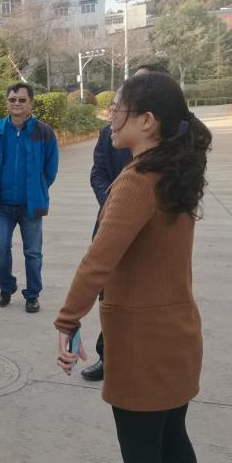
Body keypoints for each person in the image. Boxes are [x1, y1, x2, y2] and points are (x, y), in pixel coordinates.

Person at [55, 71, 210, 463]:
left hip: (143, 344)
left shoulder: (138, 180)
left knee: (142, 458)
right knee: (172, 441)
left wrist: (67, 320)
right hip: (178, 335)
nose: (110, 118)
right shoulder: (175, 172)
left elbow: (97, 262)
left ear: (147, 121)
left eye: (117, 109)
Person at [82, 63, 169, 383]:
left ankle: (143, 357)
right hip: (111, 222)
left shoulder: (174, 141)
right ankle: (108, 356)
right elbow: (98, 173)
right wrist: (115, 206)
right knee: (109, 294)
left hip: (154, 233)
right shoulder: (110, 132)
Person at [0, 82, 59, 313]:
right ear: (7, 103)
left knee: (33, 253)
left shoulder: (43, 132)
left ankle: (32, 295)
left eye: (22, 100)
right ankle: (6, 287)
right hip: (2, 205)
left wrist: (38, 188)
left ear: (31, 103)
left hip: (30, 205)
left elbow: (50, 169)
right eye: (12, 99)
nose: (16, 103)